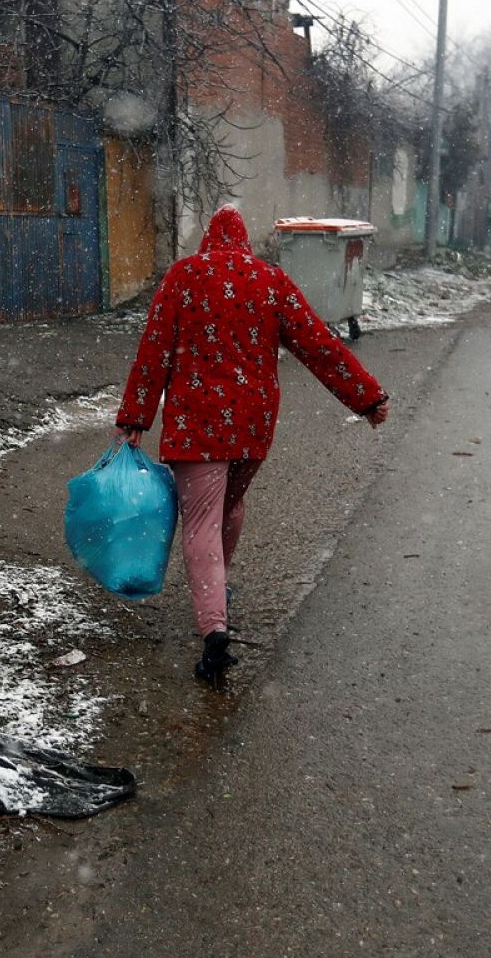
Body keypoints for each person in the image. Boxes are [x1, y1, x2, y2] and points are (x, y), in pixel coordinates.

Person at [115, 204, 389, 688]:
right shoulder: (270, 280)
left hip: (196, 423)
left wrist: (136, 416)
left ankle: (214, 630)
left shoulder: (183, 276)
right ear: (243, 241)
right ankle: (216, 591)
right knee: (229, 504)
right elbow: (317, 344)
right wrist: (366, 399)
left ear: (207, 240)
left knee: (199, 519)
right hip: (251, 424)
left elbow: (154, 347)